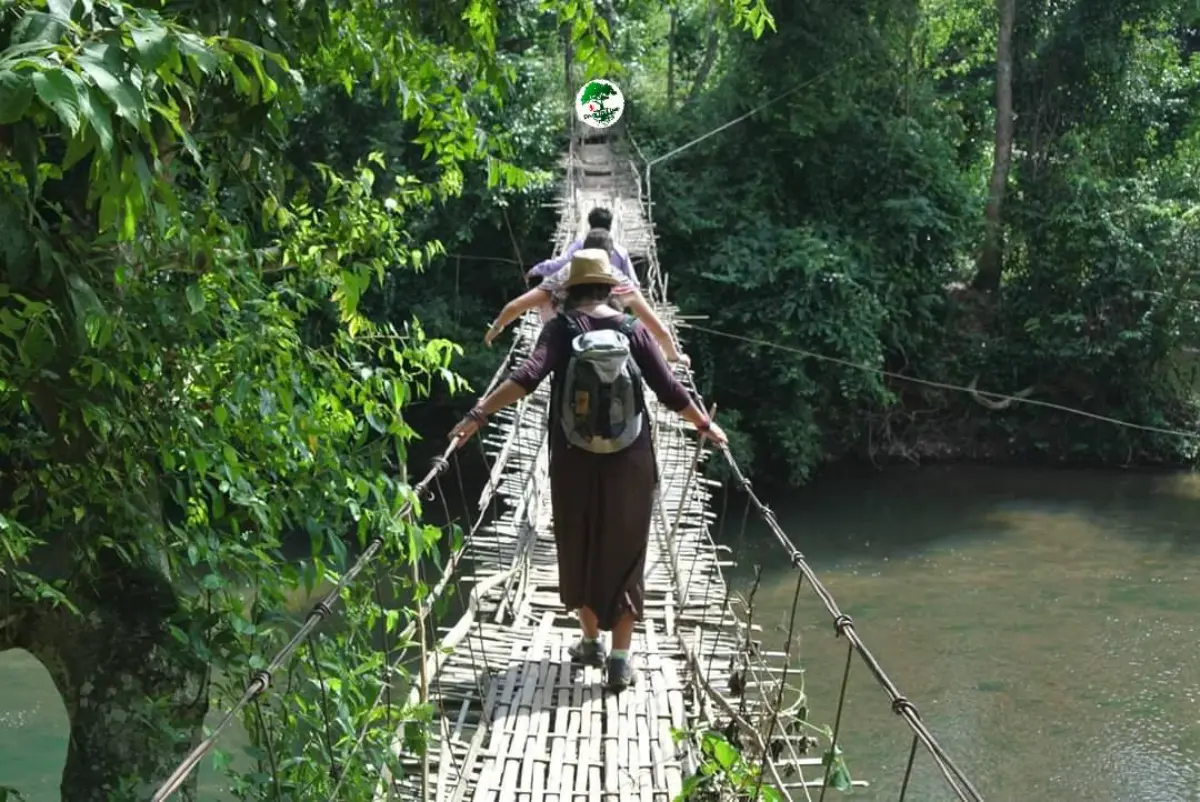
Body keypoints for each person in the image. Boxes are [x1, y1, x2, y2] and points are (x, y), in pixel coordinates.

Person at [450, 249, 727, 691]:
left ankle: (590, 640)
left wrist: (477, 415)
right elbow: (669, 387)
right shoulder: (632, 328)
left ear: (568, 290)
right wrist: (705, 425)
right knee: (627, 548)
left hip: (573, 456)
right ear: (612, 288)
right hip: (630, 458)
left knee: (579, 539)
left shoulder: (561, 328)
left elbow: (526, 376)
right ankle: (620, 659)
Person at [486, 228, 689, 365]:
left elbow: (515, 307)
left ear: (582, 251)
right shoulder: (623, 283)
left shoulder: (561, 277)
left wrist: (496, 328)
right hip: (613, 354)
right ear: (610, 256)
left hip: (566, 349)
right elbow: (660, 331)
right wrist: (674, 357)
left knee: (532, 371)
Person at [525, 207, 635, 285]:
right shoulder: (621, 252)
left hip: (581, 299)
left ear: (590, 225)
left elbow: (560, 264)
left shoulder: (580, 245)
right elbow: (633, 283)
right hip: (612, 303)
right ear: (610, 226)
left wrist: (537, 270)